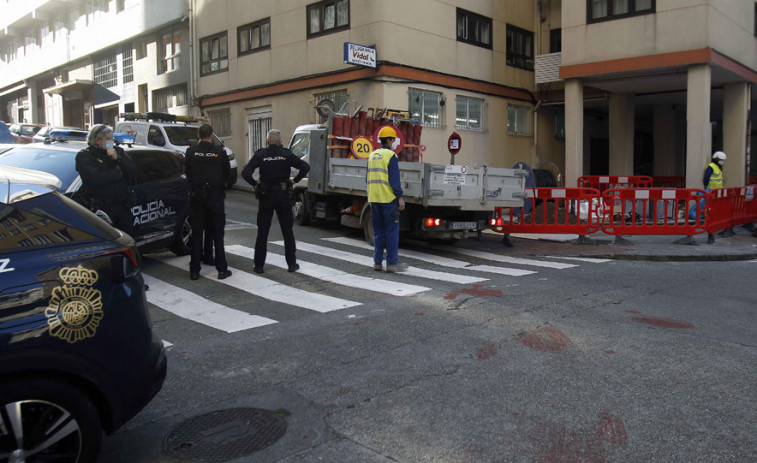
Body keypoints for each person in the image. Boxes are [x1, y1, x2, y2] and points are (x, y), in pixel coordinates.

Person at [242, 129, 310, 274]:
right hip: (283, 195)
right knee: (287, 231)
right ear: (280, 142)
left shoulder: (261, 154)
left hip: (266, 195)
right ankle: (291, 264)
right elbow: (305, 167)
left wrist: (255, 184)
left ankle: (259, 266)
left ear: (267, 141)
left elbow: (245, 172)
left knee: (263, 231)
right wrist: (294, 180)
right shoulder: (286, 154)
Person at [185, 123, 232, 280]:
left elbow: (187, 173)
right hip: (215, 197)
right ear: (211, 136)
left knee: (197, 233)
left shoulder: (191, 152)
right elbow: (227, 174)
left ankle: (194, 270)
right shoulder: (219, 152)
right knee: (218, 234)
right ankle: (221, 269)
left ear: (199, 136)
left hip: (197, 197)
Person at [76, 124, 137, 236]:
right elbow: (95, 179)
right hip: (102, 208)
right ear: (97, 140)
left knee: (128, 237)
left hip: (123, 206)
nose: (111, 141)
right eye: (108, 138)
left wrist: (118, 159)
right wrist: (118, 173)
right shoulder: (85, 156)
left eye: (112, 138)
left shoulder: (118, 151)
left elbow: (132, 172)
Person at [366, 126, 407, 273]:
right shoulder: (391, 156)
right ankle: (392, 263)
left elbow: (367, 178)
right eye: (393, 139)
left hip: (374, 199)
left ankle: (377, 262)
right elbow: (395, 180)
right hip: (388, 200)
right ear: (388, 140)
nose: (394, 142)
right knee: (391, 231)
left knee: (378, 232)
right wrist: (400, 198)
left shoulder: (372, 155)